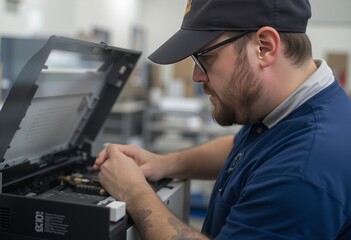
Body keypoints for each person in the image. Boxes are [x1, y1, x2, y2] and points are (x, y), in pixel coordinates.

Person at [93, 0, 351, 239]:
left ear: (264, 48)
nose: (196, 76)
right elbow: (240, 148)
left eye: (205, 57)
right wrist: (163, 163)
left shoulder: (304, 173)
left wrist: (135, 193)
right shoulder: (293, 108)